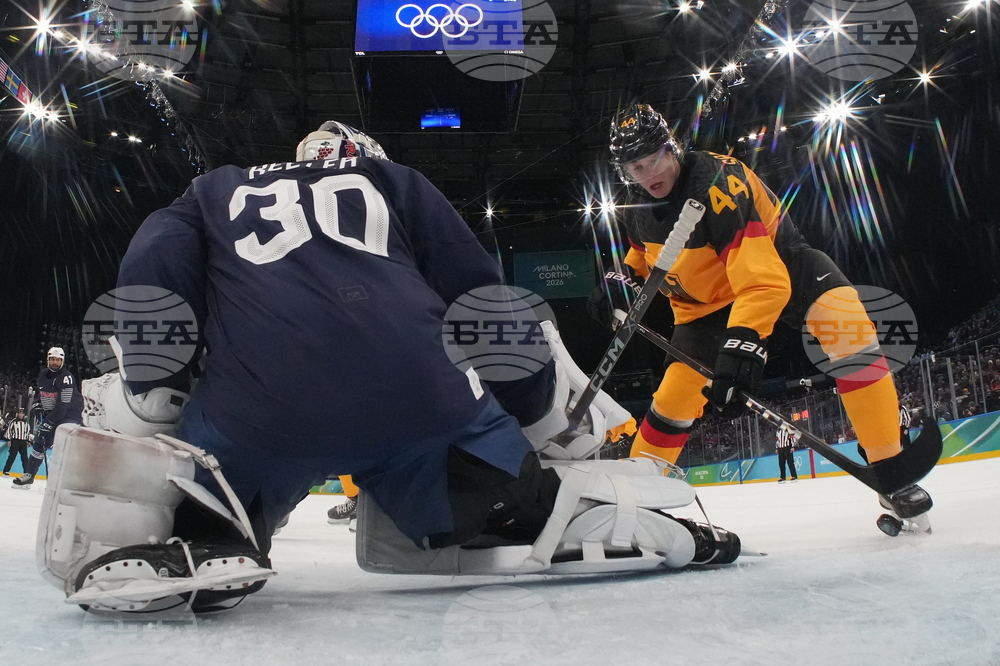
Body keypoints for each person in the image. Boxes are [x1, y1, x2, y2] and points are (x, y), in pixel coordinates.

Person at [37, 121, 740, 614]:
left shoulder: (213, 189)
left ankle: (211, 534)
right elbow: (485, 302)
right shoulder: (392, 180)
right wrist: (531, 408)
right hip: (421, 397)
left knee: (218, 486)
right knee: (488, 487)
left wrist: (157, 385)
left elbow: (153, 263)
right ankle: (540, 507)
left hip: (262, 408)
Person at [592, 103, 932, 525]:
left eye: (654, 158)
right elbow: (645, 258)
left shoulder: (718, 183)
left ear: (671, 147)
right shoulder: (634, 206)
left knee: (846, 324)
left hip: (783, 263)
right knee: (675, 397)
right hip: (706, 305)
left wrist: (743, 346)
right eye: (635, 167)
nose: (648, 174)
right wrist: (620, 281)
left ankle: (890, 466)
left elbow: (764, 280)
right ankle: (634, 497)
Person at [13, 348, 82, 488]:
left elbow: (63, 405)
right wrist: (39, 403)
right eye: (52, 359)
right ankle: (29, 476)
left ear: (62, 361)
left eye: (58, 360)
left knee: (62, 443)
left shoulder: (66, 377)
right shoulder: (43, 374)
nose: (55, 362)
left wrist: (49, 422)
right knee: (40, 440)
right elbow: (46, 395)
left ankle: (62, 481)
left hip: (70, 414)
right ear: (48, 360)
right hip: (54, 413)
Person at [3, 409, 31, 477]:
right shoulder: (13, 422)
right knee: (12, 456)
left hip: (23, 441)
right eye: (19, 413)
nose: (21, 415)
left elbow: (27, 432)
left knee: (25, 457)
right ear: (17, 414)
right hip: (15, 440)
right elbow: (9, 431)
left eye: (22, 413)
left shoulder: (26, 423)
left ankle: (26, 471)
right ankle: (6, 471)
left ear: (24, 415)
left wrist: (28, 441)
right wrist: (9, 440)